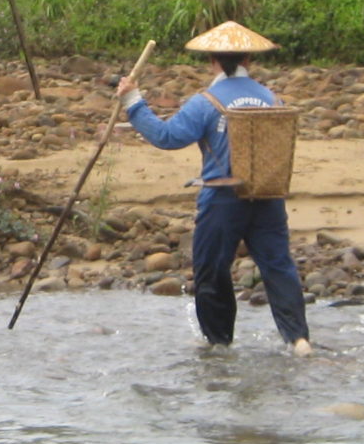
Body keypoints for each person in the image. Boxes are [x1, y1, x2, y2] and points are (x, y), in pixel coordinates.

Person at [117, 21, 312, 356]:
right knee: (278, 266)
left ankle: (218, 343)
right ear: (249, 59)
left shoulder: (205, 102)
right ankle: (298, 339)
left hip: (222, 198)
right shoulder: (272, 98)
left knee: (211, 269)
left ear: (213, 60)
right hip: (267, 195)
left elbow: (167, 137)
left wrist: (133, 100)